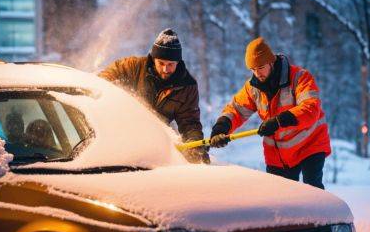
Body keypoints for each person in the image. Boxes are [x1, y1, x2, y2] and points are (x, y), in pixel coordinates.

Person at [210, 37, 331, 189]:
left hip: (310, 144)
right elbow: (237, 109)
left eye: (260, 67)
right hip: (279, 154)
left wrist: (279, 121)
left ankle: (321, 212)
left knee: (312, 190)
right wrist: (221, 127)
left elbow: (311, 108)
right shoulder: (252, 87)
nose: (257, 73)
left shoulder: (299, 77)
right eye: (252, 69)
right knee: (280, 198)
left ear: (271, 62)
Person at [98, 28, 209, 164]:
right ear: (154, 58)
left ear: (178, 62)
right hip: (120, 134)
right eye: (161, 63)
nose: (165, 69)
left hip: (152, 146)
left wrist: (195, 146)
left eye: (170, 65)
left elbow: (190, 124)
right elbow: (103, 80)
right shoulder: (134, 67)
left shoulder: (187, 86)